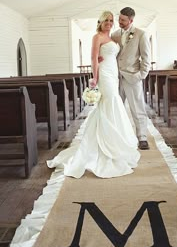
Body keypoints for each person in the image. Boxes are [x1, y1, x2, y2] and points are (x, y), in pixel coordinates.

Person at [47, 11, 140, 178]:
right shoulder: (97, 37)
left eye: (112, 20)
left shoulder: (112, 38)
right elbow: (93, 58)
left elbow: (110, 55)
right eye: (107, 20)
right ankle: (105, 144)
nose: (110, 23)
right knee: (110, 101)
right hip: (104, 75)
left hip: (113, 73)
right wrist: (95, 77)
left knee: (111, 103)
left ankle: (112, 141)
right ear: (101, 21)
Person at [111, 7, 151, 150]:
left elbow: (146, 58)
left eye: (123, 20)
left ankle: (142, 137)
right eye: (119, 18)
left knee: (137, 108)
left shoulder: (141, 34)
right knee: (116, 108)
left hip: (132, 77)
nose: (119, 21)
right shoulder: (114, 34)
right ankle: (118, 136)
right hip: (116, 78)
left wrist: (140, 75)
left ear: (131, 20)